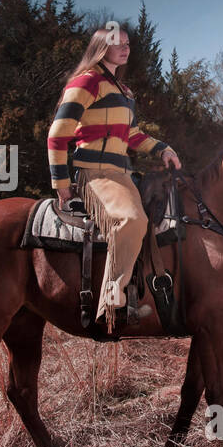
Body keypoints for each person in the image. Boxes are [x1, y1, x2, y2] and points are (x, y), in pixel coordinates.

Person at [46, 25, 182, 331]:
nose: (124, 49)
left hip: (123, 174)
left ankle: (144, 294)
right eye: (116, 44)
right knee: (131, 221)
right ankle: (112, 301)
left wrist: (162, 149)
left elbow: (131, 134)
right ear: (100, 48)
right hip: (95, 174)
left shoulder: (123, 91)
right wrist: (62, 186)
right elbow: (57, 135)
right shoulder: (86, 81)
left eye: (127, 44)